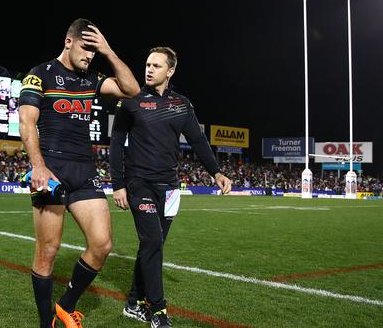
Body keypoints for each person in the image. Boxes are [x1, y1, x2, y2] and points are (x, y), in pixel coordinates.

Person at [19, 18, 139, 328]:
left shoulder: (92, 78)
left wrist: (109, 51)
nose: (89, 56)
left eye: (93, 51)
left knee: (102, 244)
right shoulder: (39, 75)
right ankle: (47, 324)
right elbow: (27, 123)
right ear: (68, 41)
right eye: (86, 48)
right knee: (48, 251)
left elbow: (132, 89)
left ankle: (65, 306)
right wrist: (38, 166)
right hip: (51, 171)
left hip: (83, 172)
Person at [109, 47, 232, 328]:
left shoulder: (182, 104)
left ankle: (132, 303)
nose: (149, 69)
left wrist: (216, 172)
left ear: (170, 71)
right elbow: (116, 143)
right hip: (139, 183)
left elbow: (198, 142)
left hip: (171, 188)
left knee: (152, 245)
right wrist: (118, 185)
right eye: (147, 64)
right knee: (152, 242)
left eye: (156, 65)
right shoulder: (131, 99)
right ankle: (159, 311)